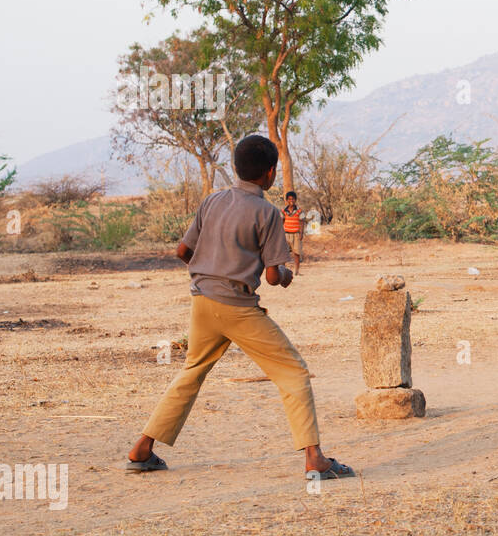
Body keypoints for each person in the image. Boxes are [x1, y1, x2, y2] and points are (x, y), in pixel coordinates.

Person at [125, 135, 354, 480]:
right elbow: (274, 276)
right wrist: (288, 275)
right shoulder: (266, 213)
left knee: (191, 373)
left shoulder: (212, 201)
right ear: (271, 173)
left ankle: (142, 449)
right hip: (237, 307)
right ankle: (315, 459)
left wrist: (208, 268)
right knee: (293, 372)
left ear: (236, 167)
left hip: (202, 301)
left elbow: (182, 251)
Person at [282, 191, 303, 276]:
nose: (291, 200)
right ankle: (282, 270)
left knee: (296, 253)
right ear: (286, 200)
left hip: (296, 234)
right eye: (289, 199)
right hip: (286, 234)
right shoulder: (284, 211)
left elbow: (301, 222)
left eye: (293, 199)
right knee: (283, 253)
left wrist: (301, 233)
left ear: (295, 200)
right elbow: (282, 221)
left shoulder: (299, 211)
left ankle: (297, 271)